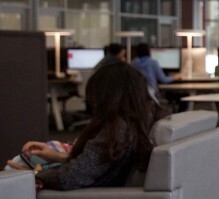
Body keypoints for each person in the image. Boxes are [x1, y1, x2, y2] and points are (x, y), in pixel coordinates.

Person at [17, 61, 162, 191]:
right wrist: (57, 157)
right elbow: (93, 166)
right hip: (102, 197)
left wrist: (34, 175)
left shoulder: (115, 132)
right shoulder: (138, 124)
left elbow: (68, 178)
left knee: (12, 173)